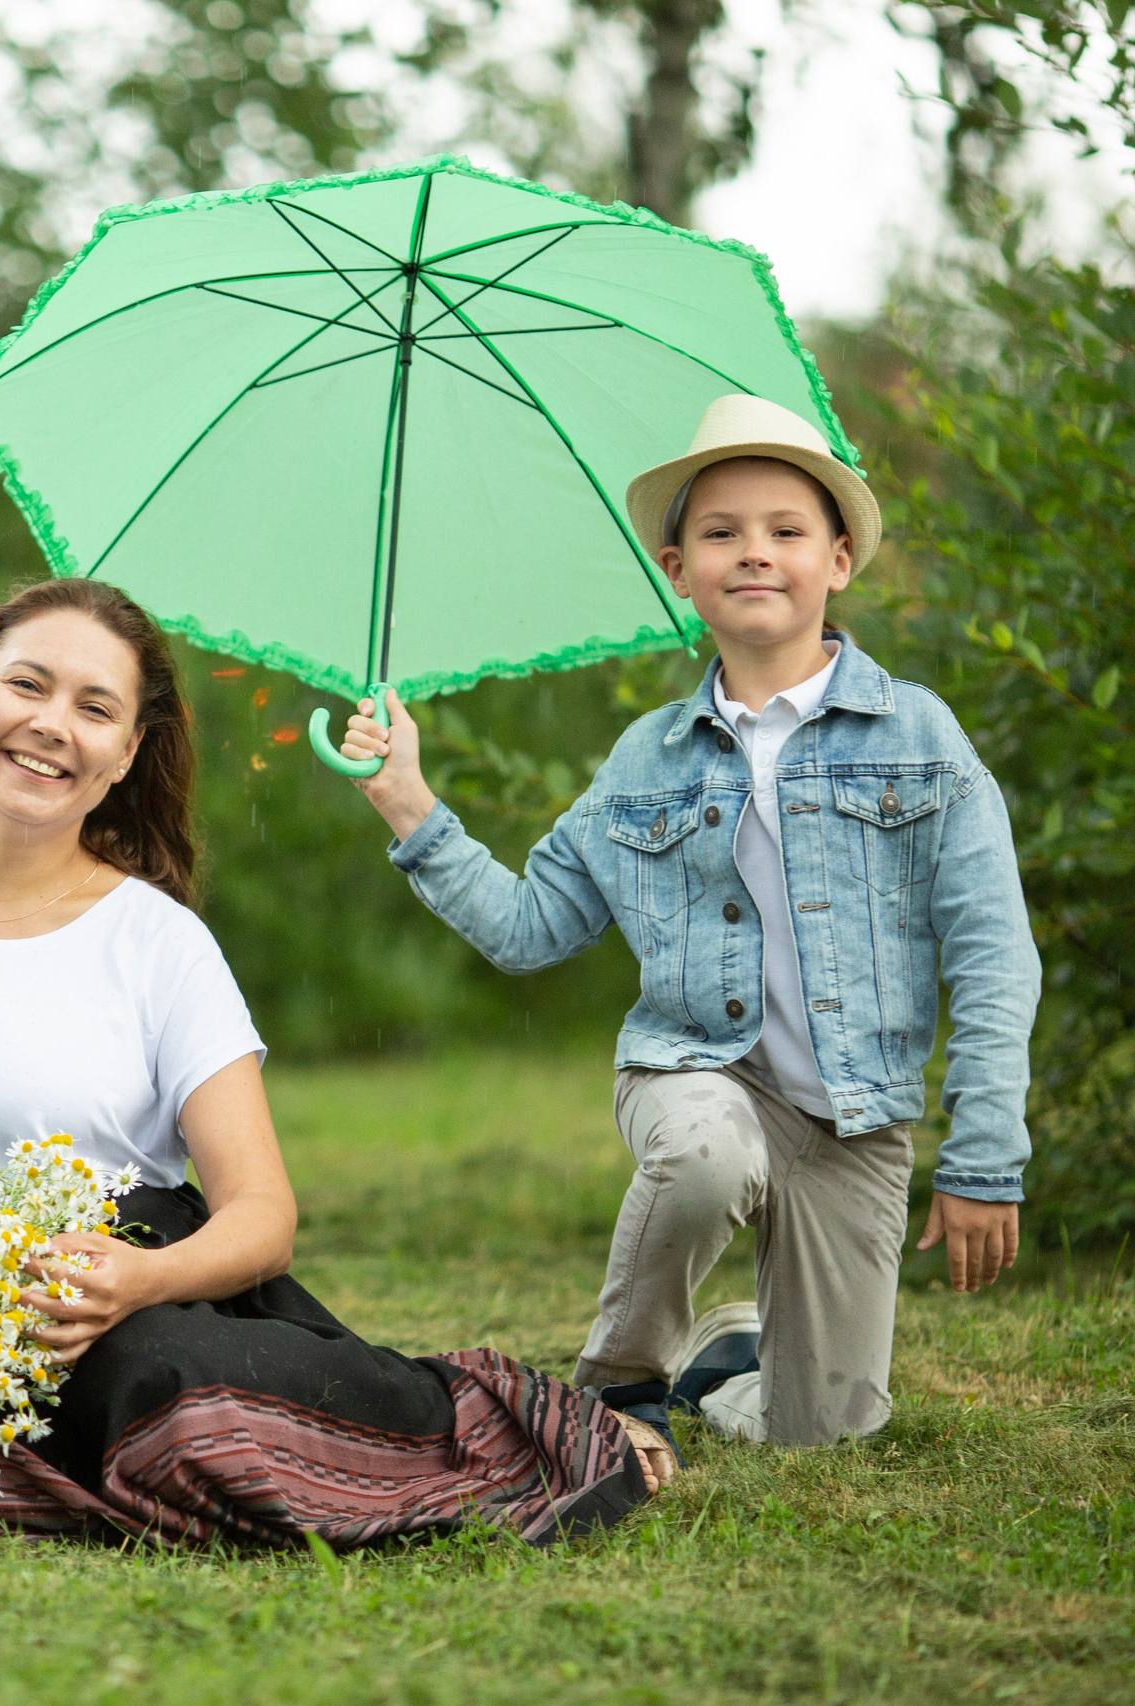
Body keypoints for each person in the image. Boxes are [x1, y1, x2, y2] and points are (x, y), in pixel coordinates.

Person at [0, 579, 664, 1549]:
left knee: (172, 1409)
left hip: (125, 1299)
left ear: (124, 754)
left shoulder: (155, 941)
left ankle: (475, 1415)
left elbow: (261, 1212)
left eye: (92, 707)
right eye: (25, 684)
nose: (49, 724)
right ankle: (146, 1468)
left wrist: (139, 1278)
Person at [336, 394, 1042, 1449]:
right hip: (694, 1070)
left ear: (838, 560)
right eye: (720, 532)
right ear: (678, 568)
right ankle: (617, 1384)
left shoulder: (920, 738)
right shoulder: (644, 761)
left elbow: (993, 953)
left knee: (828, 1432)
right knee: (707, 1147)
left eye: (785, 530)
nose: (753, 553)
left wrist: (982, 1153)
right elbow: (532, 927)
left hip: (853, 1120)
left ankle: (728, 1363)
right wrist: (408, 802)